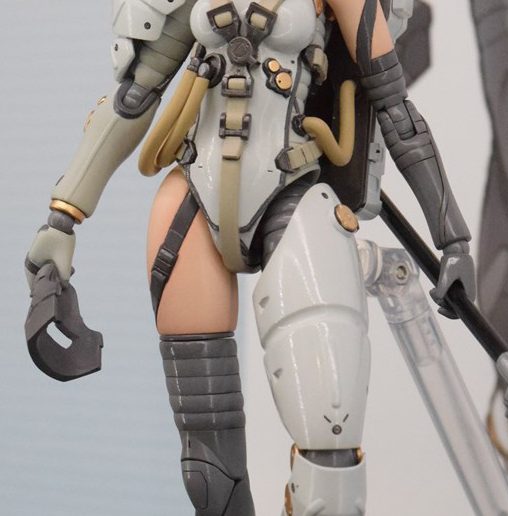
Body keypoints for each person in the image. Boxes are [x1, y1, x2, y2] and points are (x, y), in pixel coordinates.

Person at [25, 0, 475, 514]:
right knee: (208, 472)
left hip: (291, 193)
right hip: (193, 202)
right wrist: (62, 219)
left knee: (330, 454)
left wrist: (452, 239)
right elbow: (133, 100)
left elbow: (395, 108)